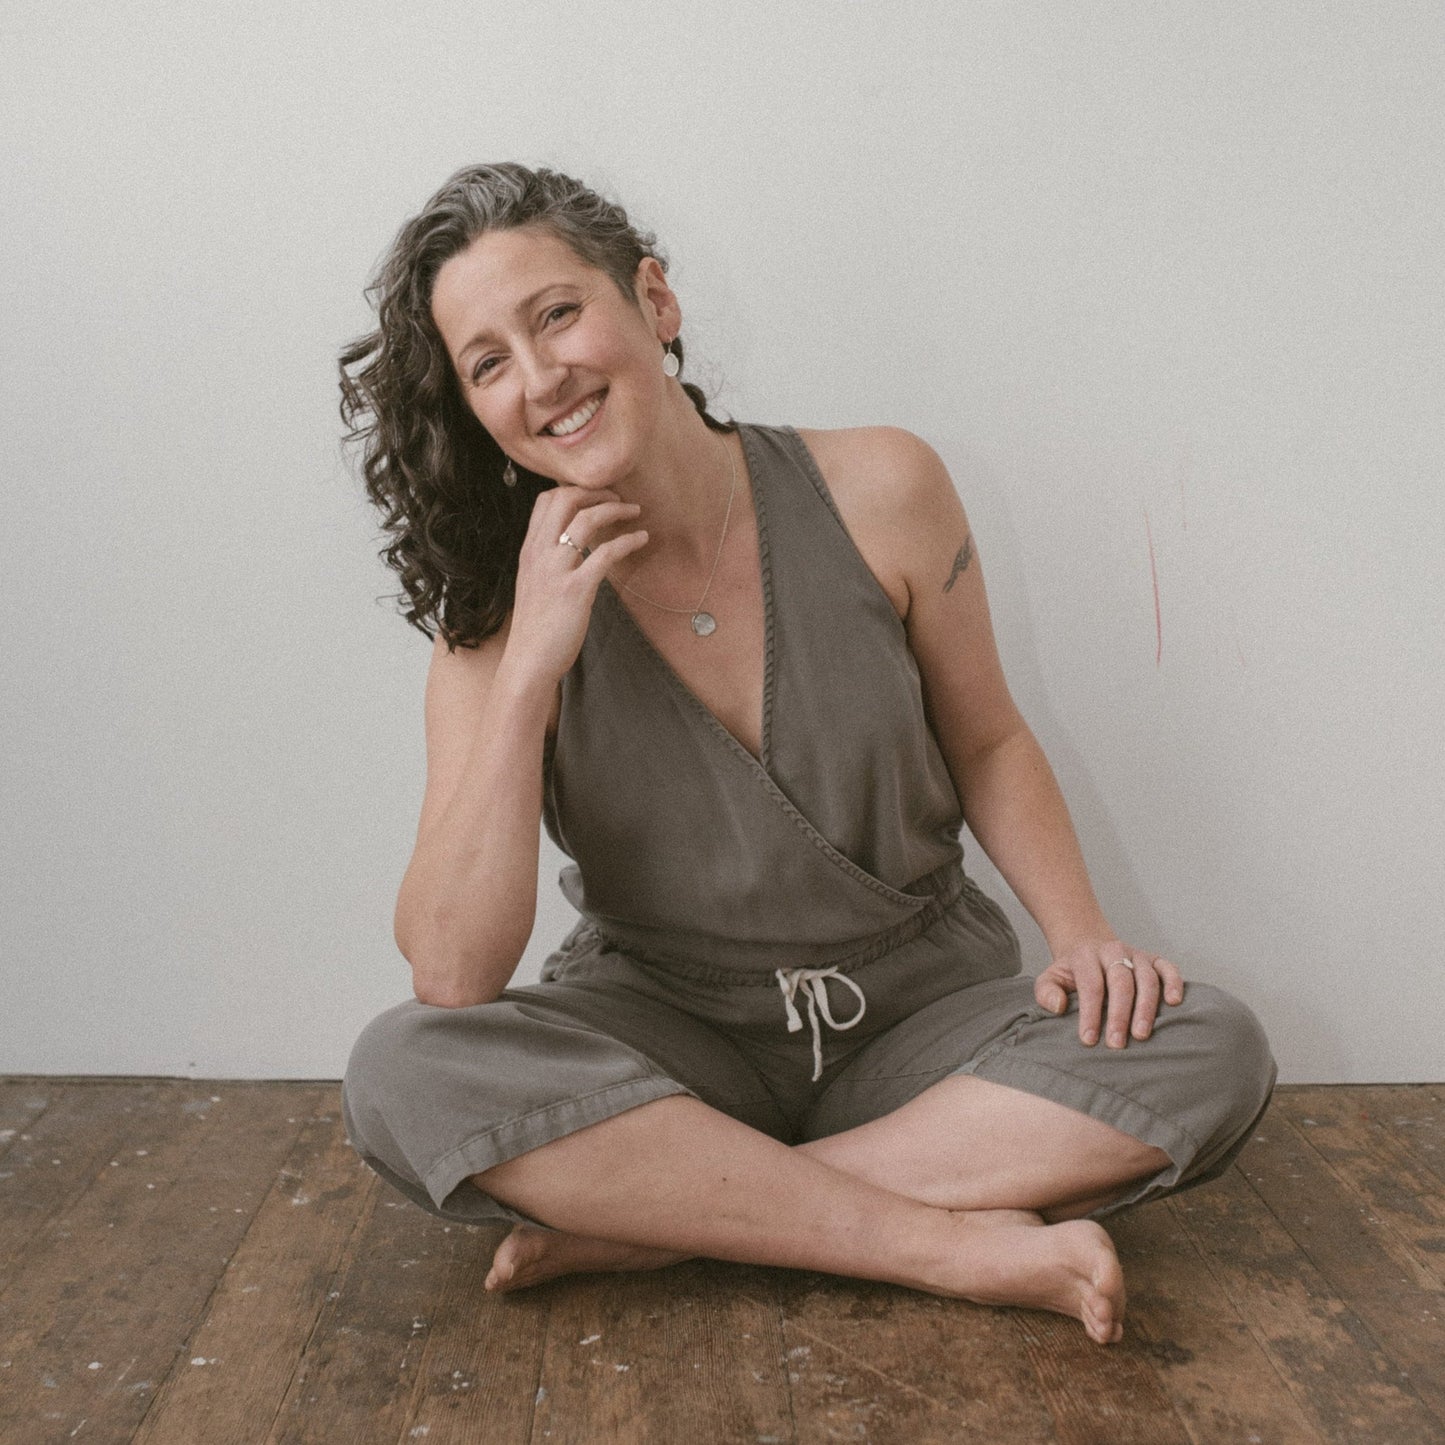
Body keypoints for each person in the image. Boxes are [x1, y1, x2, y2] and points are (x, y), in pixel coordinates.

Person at [337, 162, 1276, 1347]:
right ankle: (936, 1239)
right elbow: (452, 977)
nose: (540, 380)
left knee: (1210, 1042)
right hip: (665, 1034)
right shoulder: (491, 620)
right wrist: (530, 666)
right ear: (473, 408)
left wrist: (1084, 934)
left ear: (653, 299)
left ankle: (672, 1214)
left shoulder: (883, 485)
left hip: (915, 1020)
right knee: (401, 1070)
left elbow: (986, 739)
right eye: (487, 363)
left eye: (556, 314)